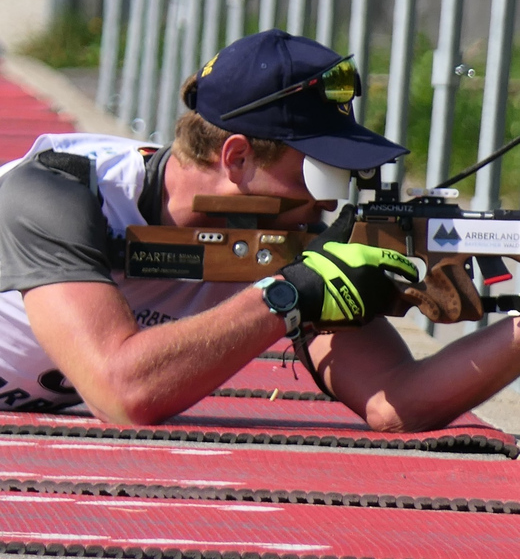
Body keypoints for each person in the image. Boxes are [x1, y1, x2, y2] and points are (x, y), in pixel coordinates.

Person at [0, 28, 518, 430]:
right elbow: (122, 394)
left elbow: (396, 400)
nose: (330, 199)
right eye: (318, 171)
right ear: (238, 157)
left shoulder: (278, 236)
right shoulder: (54, 194)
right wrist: (286, 298)